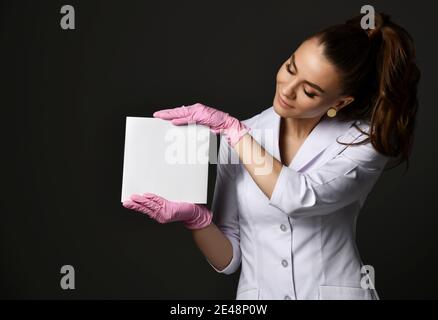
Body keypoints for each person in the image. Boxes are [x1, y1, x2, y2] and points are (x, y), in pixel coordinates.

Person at [122, 12, 420, 300]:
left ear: (339, 102)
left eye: (310, 92)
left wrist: (232, 130)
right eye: (291, 68)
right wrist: (197, 220)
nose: (287, 90)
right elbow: (229, 260)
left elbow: (299, 197)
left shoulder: (363, 142)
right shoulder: (244, 135)